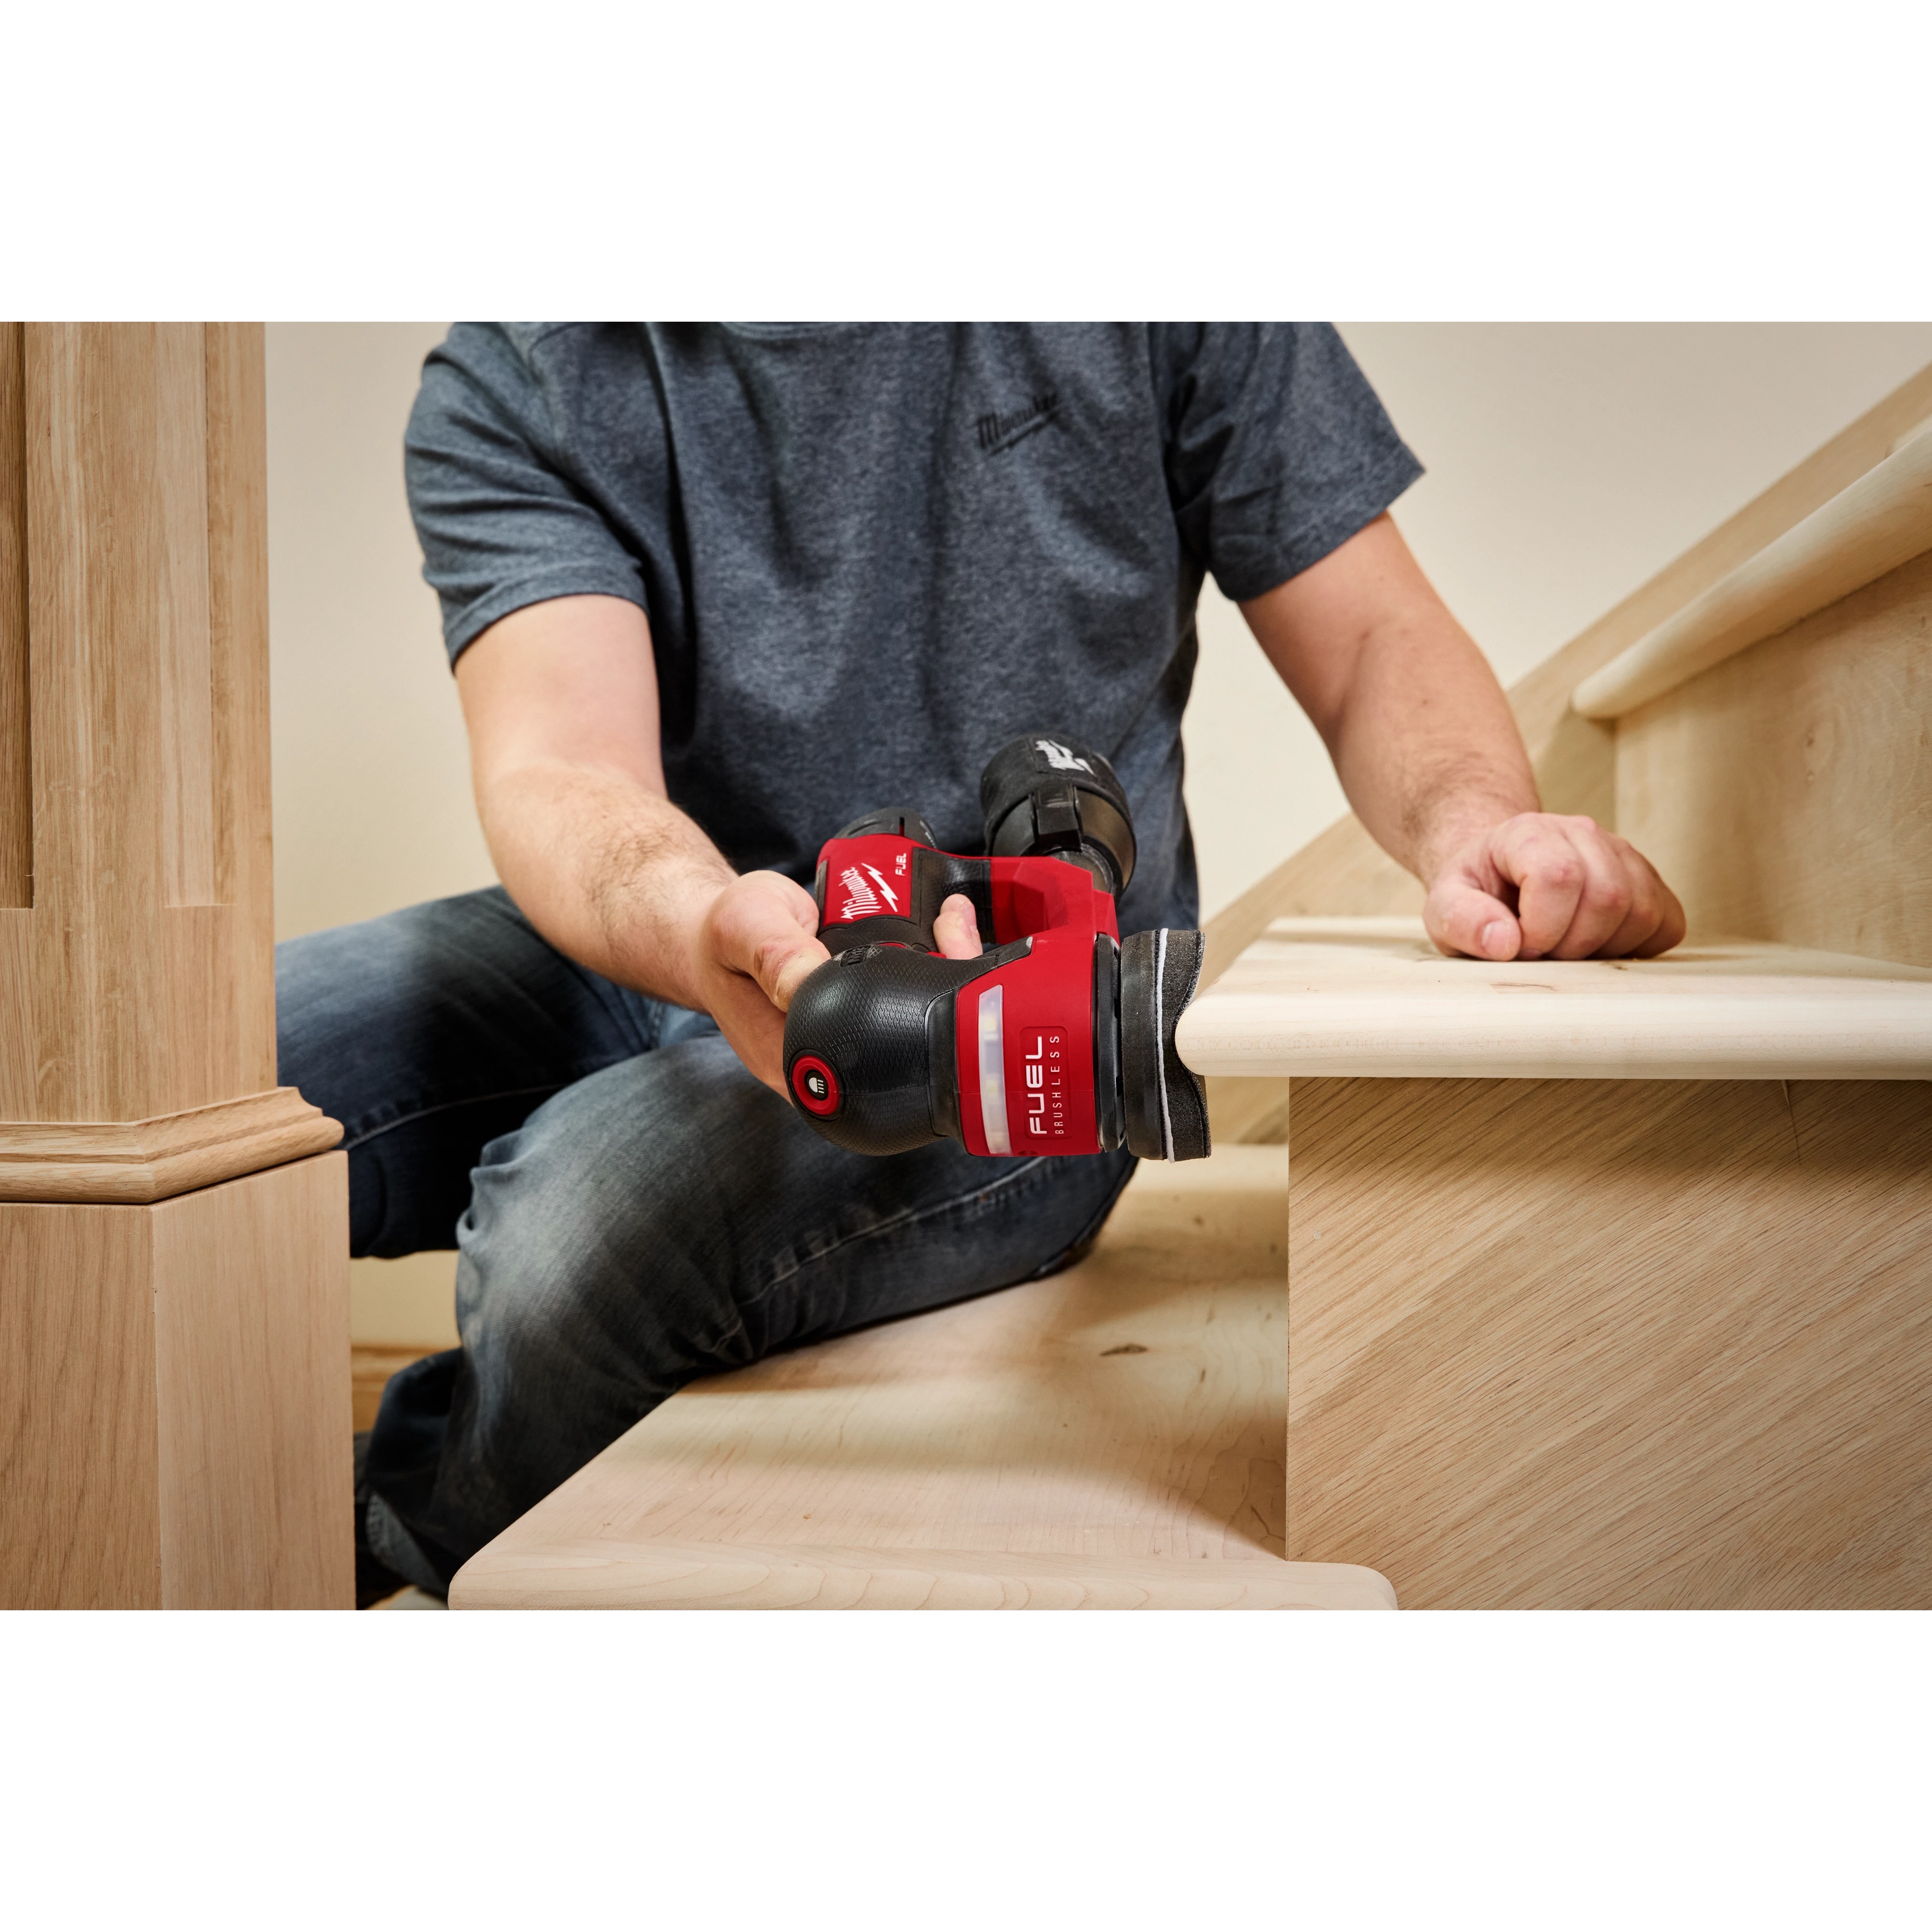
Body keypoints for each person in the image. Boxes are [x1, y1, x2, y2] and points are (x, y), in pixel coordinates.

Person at [279, 322, 1685, 1603]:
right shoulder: (521, 370)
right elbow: (565, 766)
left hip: (1024, 1019)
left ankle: (381, 1521)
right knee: (208, 1074)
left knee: (565, 1233)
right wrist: (705, 923)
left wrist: (1481, 828)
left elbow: (1372, 635)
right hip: (677, 917)